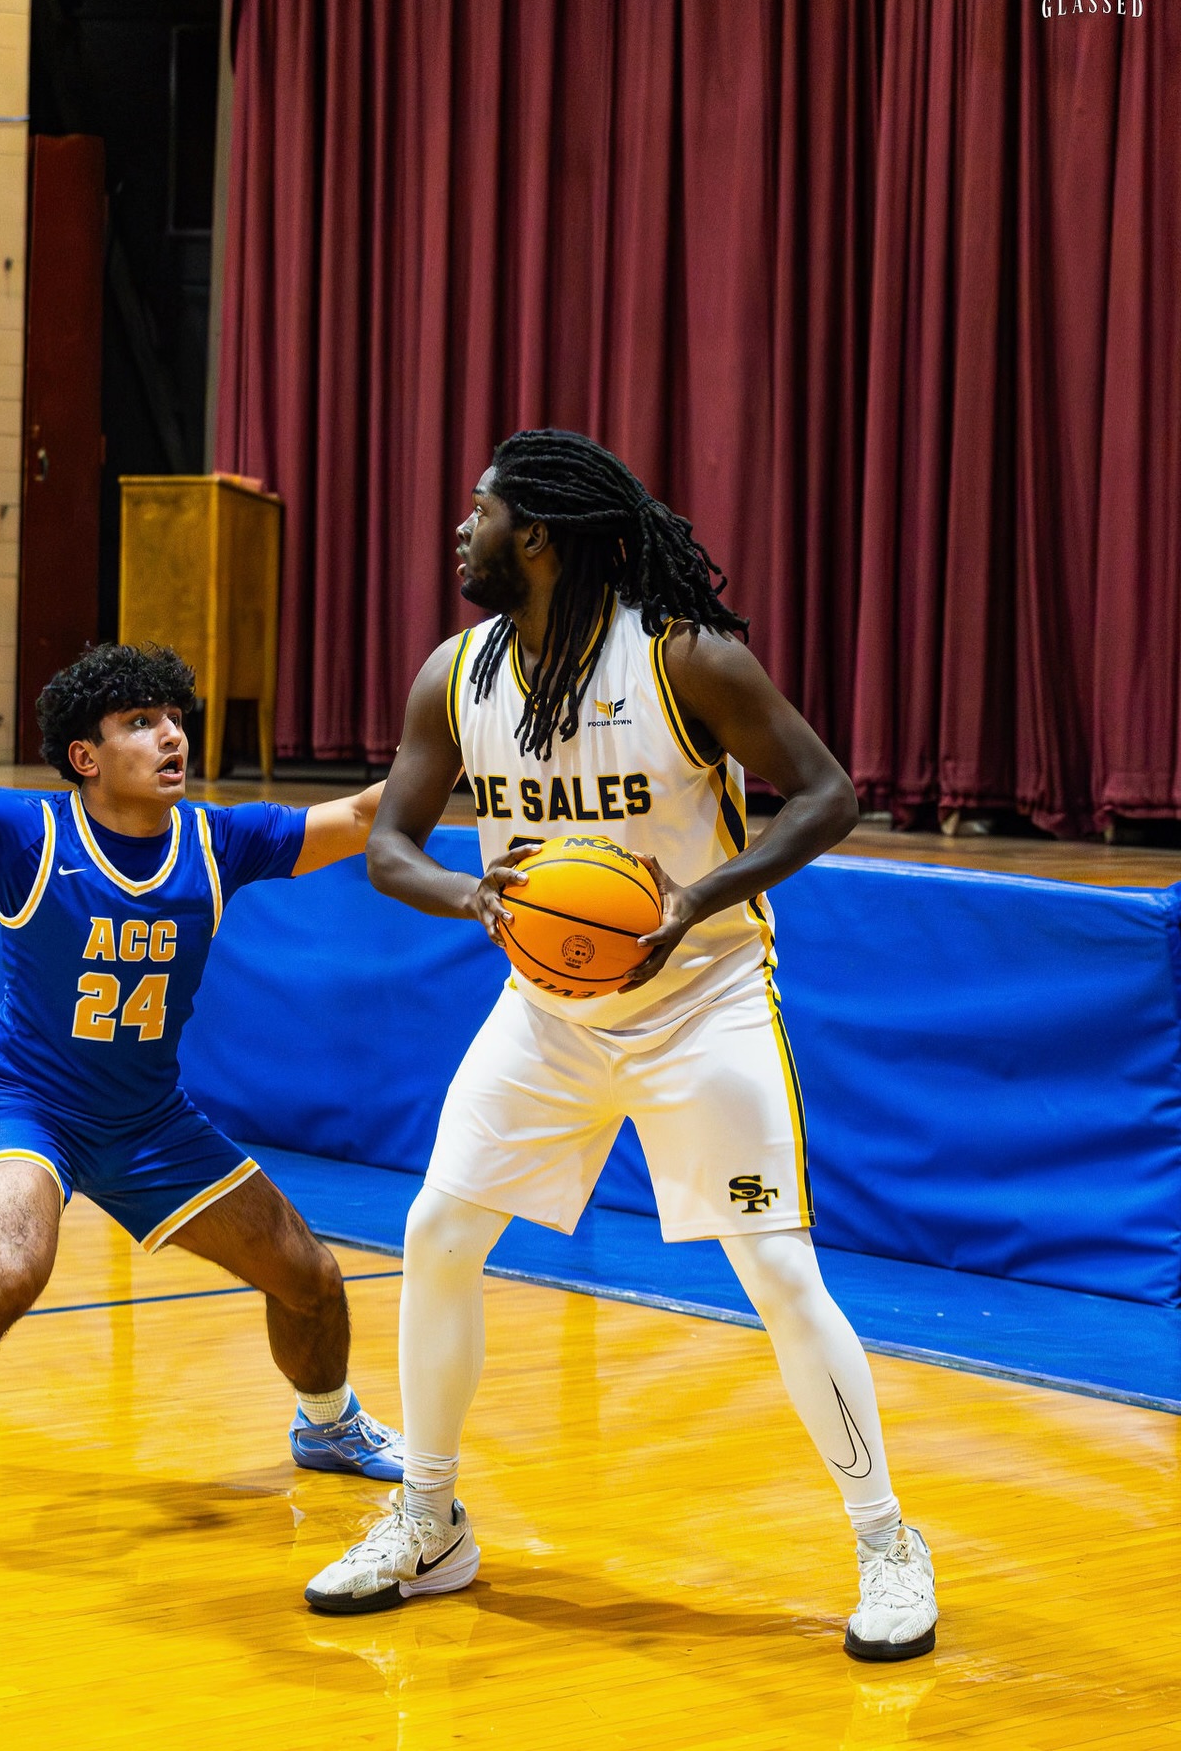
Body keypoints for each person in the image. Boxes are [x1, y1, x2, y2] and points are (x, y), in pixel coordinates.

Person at [304, 430, 938, 1662]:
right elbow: (391, 846)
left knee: (779, 1274)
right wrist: (477, 900)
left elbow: (828, 794)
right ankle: (429, 1520)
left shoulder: (682, 656)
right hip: (547, 1010)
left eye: (479, 510)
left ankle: (886, 1540)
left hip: (702, 1001)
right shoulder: (456, 673)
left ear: (534, 535)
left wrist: (693, 901)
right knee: (438, 1233)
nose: (460, 529)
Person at [0, 555, 403, 1569]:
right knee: (12, 1266)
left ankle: (327, 1424)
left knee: (311, 1277)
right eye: (138, 722)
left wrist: (475, 733)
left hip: (151, 1119)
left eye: (173, 716)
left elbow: (369, 816)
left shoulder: (222, 840)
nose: (170, 734)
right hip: (30, 1105)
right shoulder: (21, 834)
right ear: (85, 754)